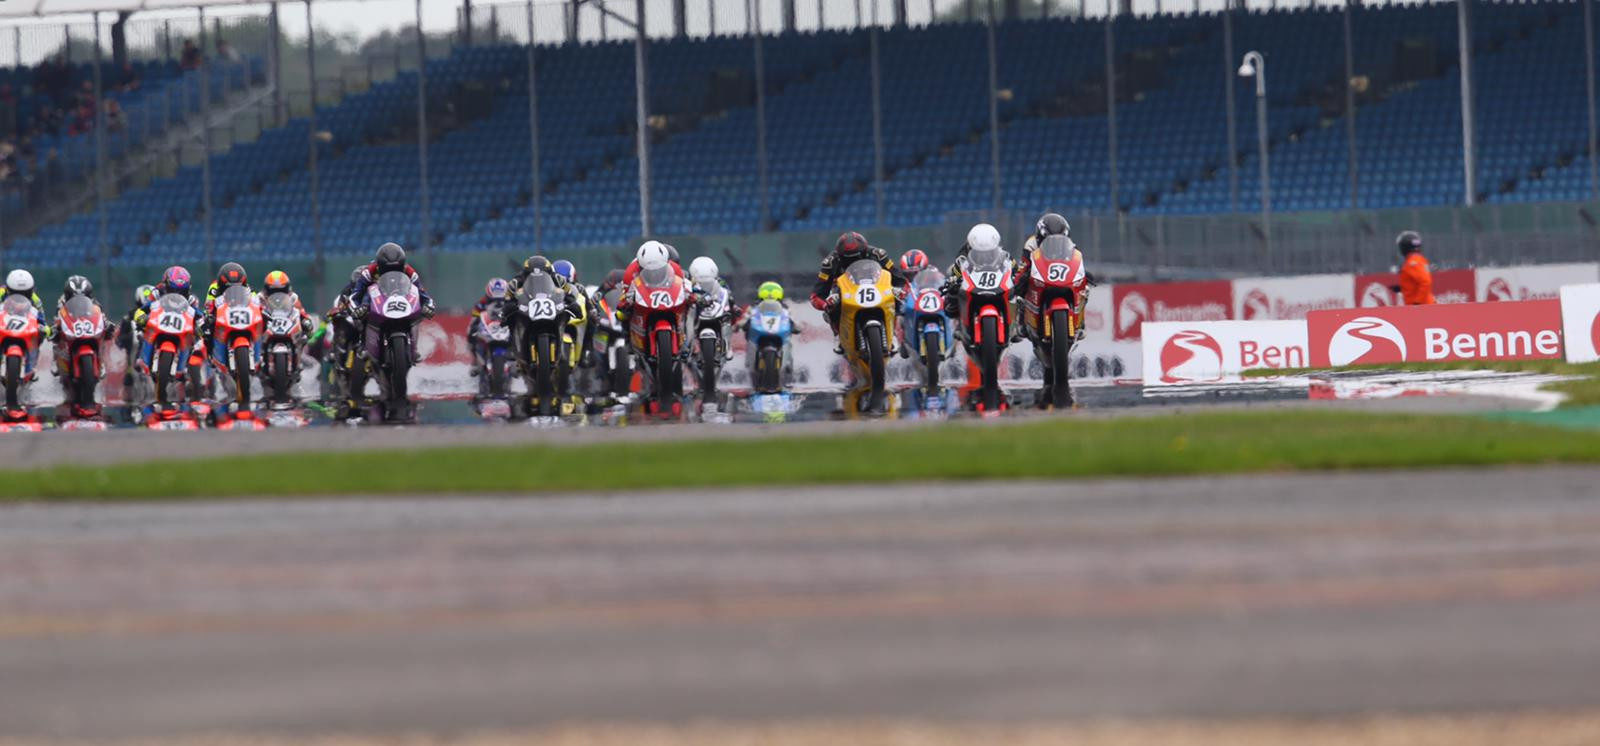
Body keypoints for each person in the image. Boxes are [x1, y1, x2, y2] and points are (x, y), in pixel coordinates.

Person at [809, 231, 906, 344]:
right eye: (848, 259)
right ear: (840, 255)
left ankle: (897, 332)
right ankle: (839, 337)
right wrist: (825, 304)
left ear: (864, 250)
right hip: (845, 291)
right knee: (831, 309)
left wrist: (900, 290)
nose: (853, 261)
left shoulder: (878, 254)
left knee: (900, 302)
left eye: (857, 257)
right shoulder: (830, 262)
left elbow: (898, 277)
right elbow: (817, 294)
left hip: (877, 287)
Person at [344, 242, 435, 315]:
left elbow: (423, 294)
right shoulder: (369, 271)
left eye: (396, 268)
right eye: (387, 269)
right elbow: (355, 295)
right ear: (379, 266)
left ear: (402, 265)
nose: (391, 272)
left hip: (401, 305)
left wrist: (428, 306)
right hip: (373, 308)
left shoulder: (410, 272)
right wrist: (357, 309)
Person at [0, 269, 48, 380]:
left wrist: (44, 328)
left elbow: (42, 319)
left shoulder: (35, 300)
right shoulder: (0, 293)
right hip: (4, 322)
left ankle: (31, 365)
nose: (20, 297)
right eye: (16, 293)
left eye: (25, 293)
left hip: (25, 326)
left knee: (39, 336)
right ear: (8, 290)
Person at [468, 277, 511, 376]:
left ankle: (518, 361)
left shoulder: (510, 301)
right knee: (471, 332)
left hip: (505, 327)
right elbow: (475, 314)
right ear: (490, 291)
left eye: (500, 291)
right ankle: (475, 362)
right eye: (495, 291)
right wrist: (475, 323)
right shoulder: (482, 302)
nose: (498, 295)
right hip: (488, 327)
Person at [1394, 230, 1434, 305]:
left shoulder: (1412, 263)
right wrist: (1402, 288)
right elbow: (1417, 282)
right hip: (1425, 305)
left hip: (1421, 307)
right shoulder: (1420, 260)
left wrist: (1417, 303)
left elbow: (1425, 282)